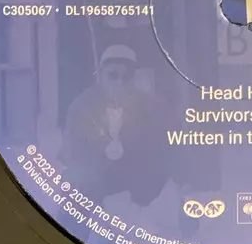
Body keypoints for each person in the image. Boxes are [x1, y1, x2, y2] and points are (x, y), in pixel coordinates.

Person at [59, 45, 171, 207]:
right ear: (101, 75)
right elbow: (74, 151)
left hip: (135, 175)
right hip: (95, 174)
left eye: (126, 77)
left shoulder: (150, 107)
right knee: (75, 181)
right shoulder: (81, 106)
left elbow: (157, 149)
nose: (120, 82)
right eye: (113, 75)